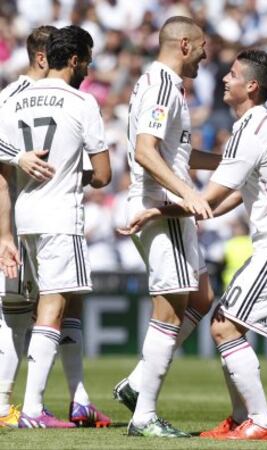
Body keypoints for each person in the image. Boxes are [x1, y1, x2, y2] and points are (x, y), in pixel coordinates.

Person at [120, 49, 267, 441]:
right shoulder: (262, 127)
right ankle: (242, 416)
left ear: (251, 86)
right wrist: (174, 213)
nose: (224, 78)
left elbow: (207, 199)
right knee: (221, 320)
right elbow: (226, 201)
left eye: (232, 74)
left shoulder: (251, 133)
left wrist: (158, 212)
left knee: (225, 328)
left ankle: (260, 421)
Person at [114, 16, 223, 438]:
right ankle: (143, 415)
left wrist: (230, 165)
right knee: (171, 307)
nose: (205, 55)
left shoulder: (163, 85)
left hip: (165, 200)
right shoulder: (161, 84)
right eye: (201, 47)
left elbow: (176, 152)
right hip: (161, 206)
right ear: (183, 44)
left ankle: (139, 382)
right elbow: (145, 152)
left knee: (202, 294)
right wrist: (187, 195)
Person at [0, 25, 111, 429]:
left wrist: (5, 234)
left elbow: (2, 170)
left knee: (68, 300)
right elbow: (103, 175)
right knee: (53, 304)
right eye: (89, 58)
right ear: (76, 59)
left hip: (24, 214)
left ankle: (79, 400)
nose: (91, 66)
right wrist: (74, 173)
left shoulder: (14, 100)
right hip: (61, 215)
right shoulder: (82, 102)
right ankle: (31, 409)